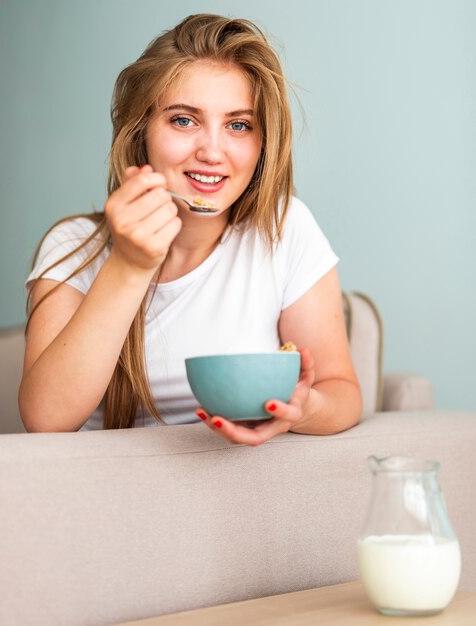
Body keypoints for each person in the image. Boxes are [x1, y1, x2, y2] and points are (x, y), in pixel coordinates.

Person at [19, 14, 362, 445]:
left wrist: (301, 408)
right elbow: (45, 419)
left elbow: (341, 393)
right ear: (142, 131)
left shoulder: (283, 228)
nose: (212, 152)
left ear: (262, 144)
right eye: (184, 120)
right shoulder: (71, 246)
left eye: (238, 125)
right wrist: (129, 265)